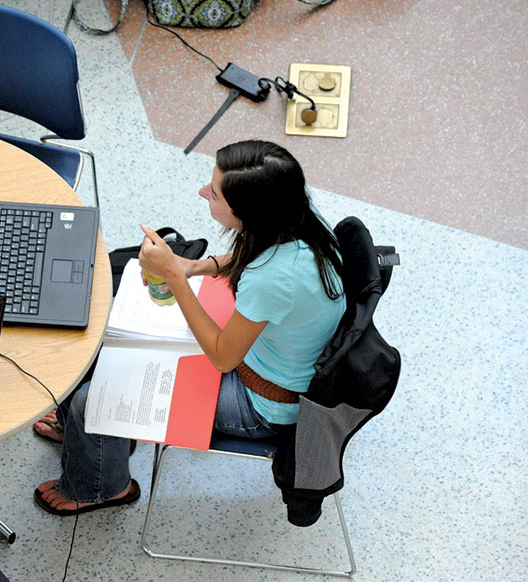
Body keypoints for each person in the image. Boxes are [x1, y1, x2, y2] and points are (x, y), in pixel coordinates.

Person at [33, 140, 345, 516]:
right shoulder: (298, 216)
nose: (202, 192)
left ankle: (101, 487)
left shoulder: (273, 279)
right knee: (100, 345)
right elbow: (257, 255)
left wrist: (174, 278)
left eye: (213, 193)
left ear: (249, 213)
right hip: (268, 359)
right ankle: (88, 436)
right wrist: (195, 267)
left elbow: (222, 357)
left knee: (94, 398)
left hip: (261, 401)